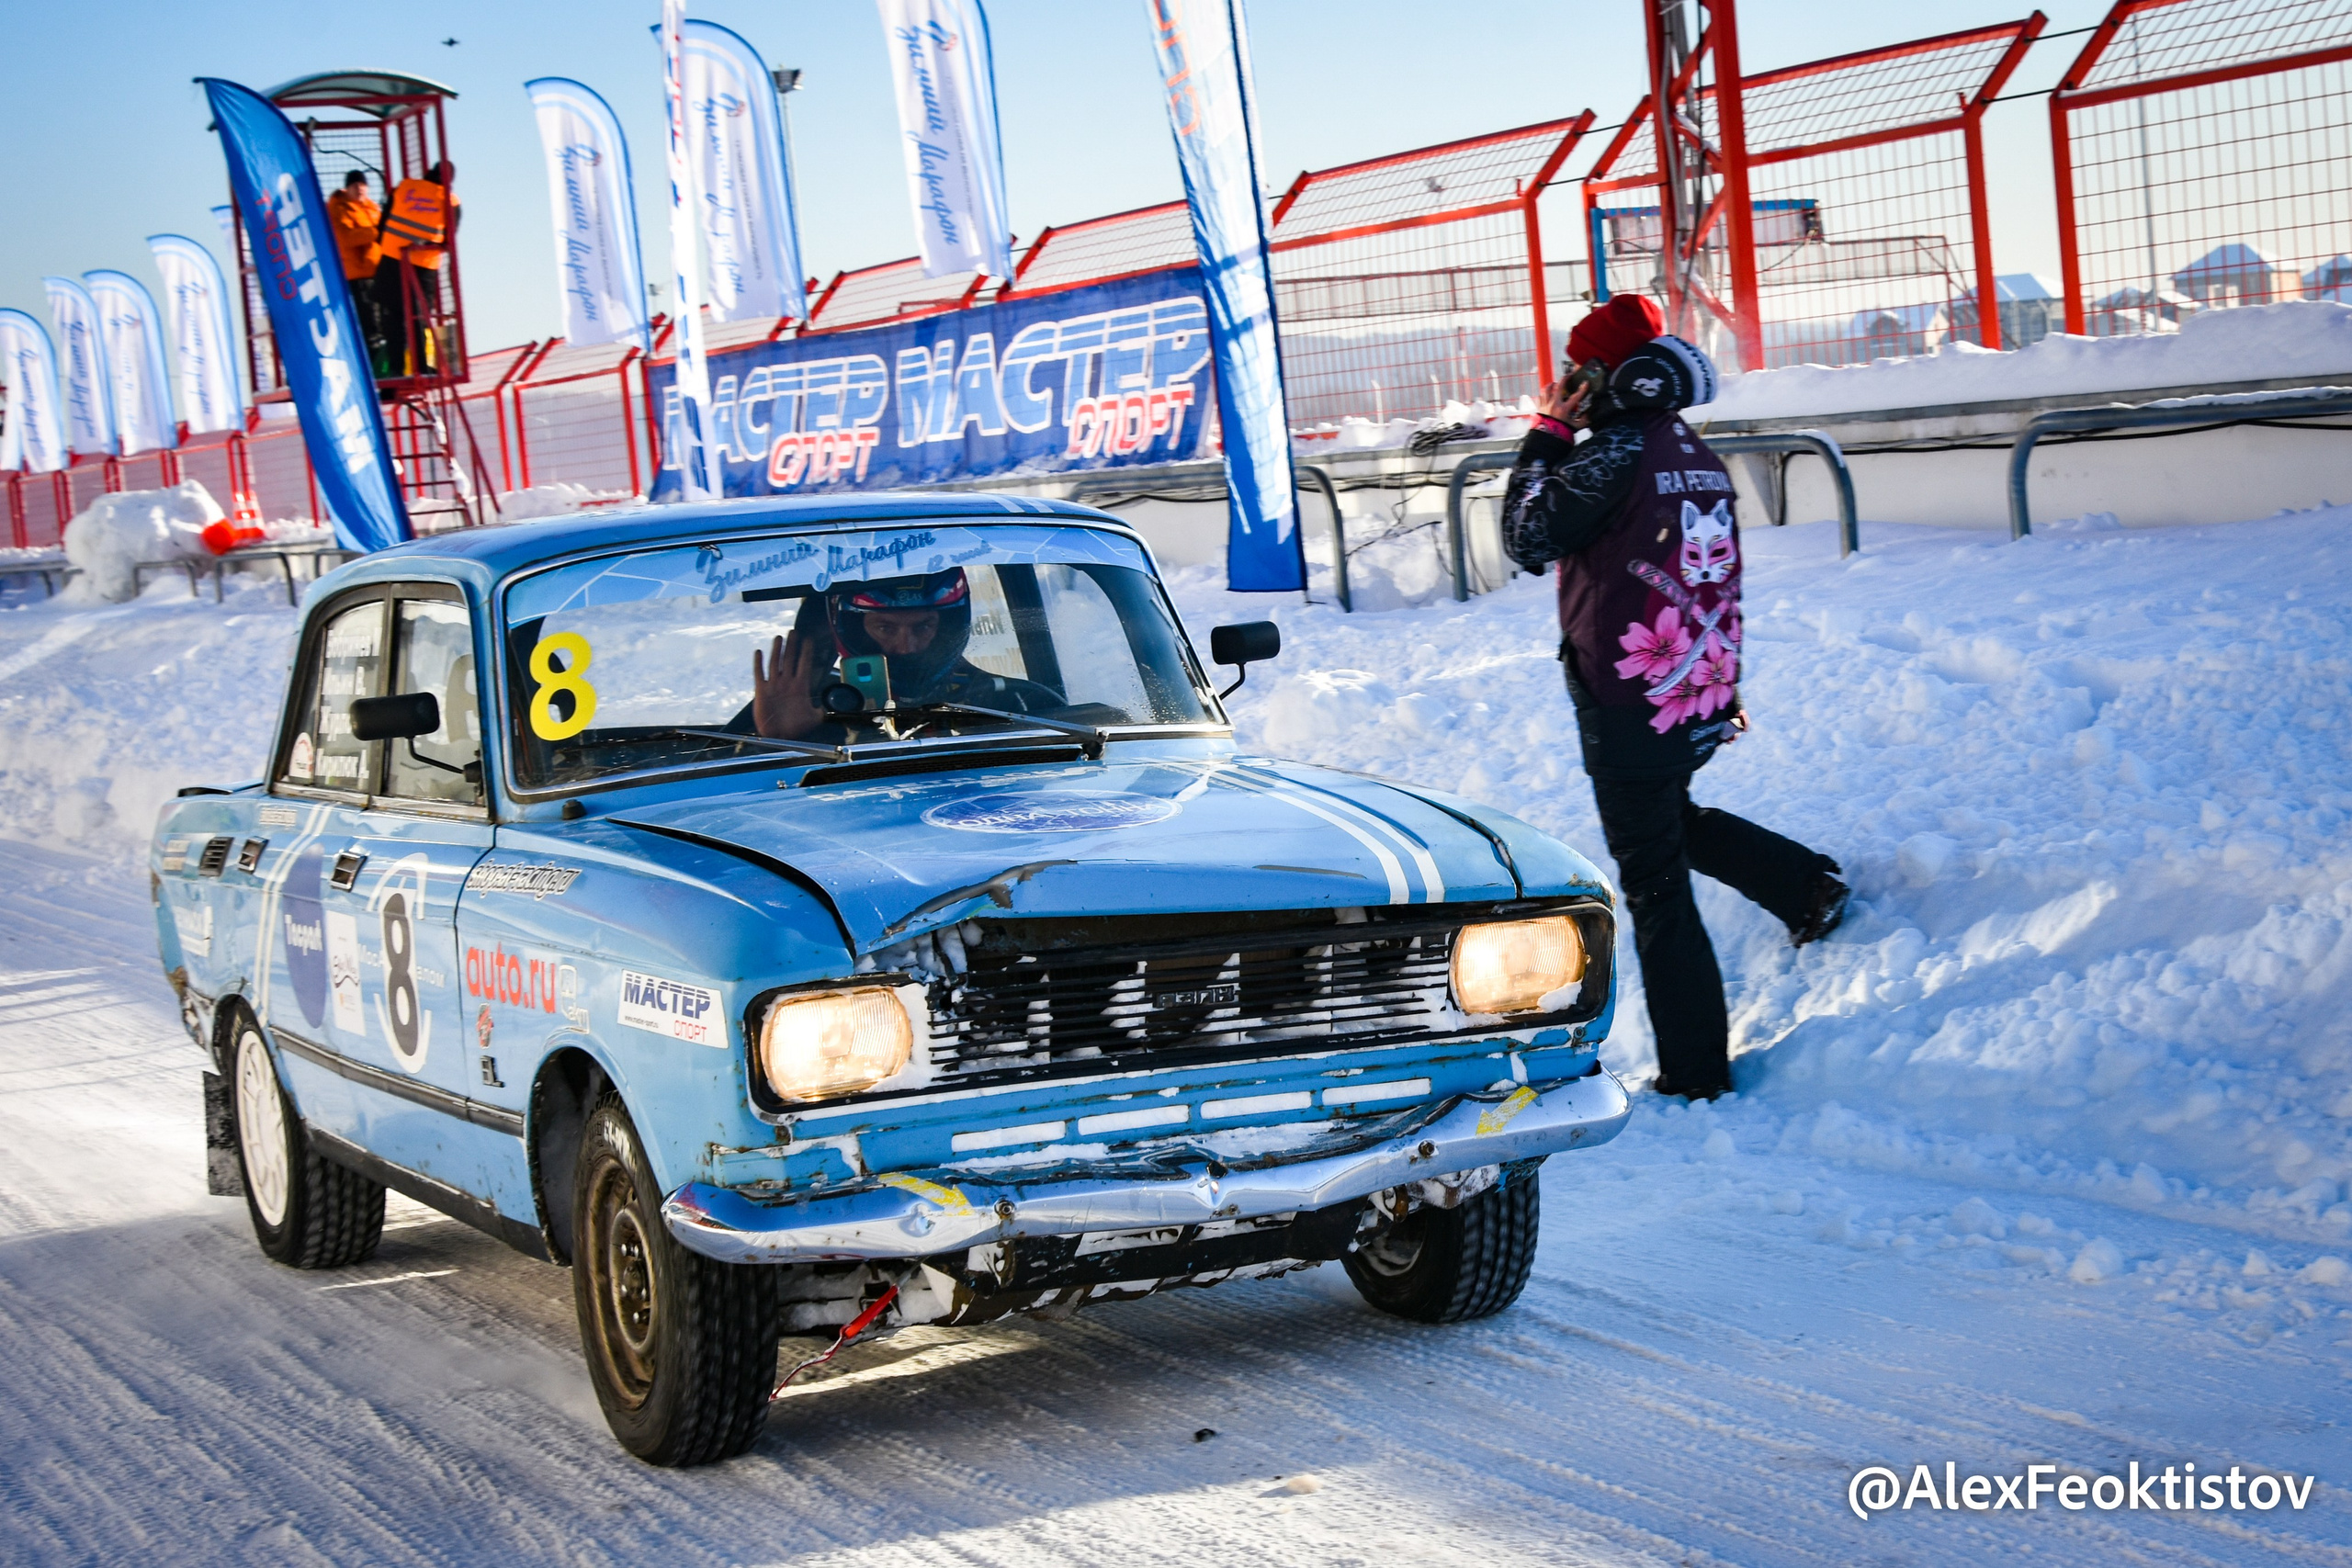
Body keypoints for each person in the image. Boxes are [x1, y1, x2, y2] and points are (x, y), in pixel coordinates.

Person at [1501, 294, 1849, 1101]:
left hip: (1630, 694)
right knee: (1666, 821)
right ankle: (1806, 887)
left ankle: (1696, 1072)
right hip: (1690, 683)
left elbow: (1526, 536)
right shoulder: (1686, 445)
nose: (1568, 384)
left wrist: (1548, 433)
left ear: (1601, 375)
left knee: (1654, 880)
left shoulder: (1613, 450)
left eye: (1576, 371)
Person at [749, 569, 1060, 740]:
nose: (906, 647)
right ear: (852, 627)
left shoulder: (1016, 702)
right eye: (885, 628)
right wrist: (785, 740)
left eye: (924, 626)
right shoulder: (802, 706)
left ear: (949, 626)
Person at [373, 160, 459, 376]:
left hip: (392, 257)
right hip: (423, 265)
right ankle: (422, 367)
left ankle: (395, 368)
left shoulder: (405, 186)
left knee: (392, 316)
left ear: (430, 171)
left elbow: (382, 224)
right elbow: (449, 240)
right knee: (418, 317)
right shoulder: (450, 200)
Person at [325, 172, 384, 364]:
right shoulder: (339, 208)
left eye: (362, 185)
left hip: (377, 272)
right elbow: (347, 238)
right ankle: (373, 368)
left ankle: (380, 364)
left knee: (381, 323)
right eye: (355, 186)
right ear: (347, 188)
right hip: (357, 275)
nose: (359, 189)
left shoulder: (373, 208)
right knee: (369, 326)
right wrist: (376, 232)